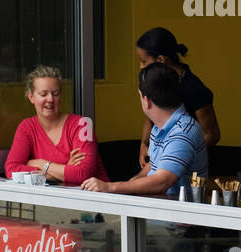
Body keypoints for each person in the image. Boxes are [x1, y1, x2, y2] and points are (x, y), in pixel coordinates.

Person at [82, 63, 206, 199]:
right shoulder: (160, 126)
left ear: (146, 100)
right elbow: (155, 165)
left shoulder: (183, 132)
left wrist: (110, 187)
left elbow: (161, 181)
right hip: (161, 211)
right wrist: (132, 182)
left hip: (179, 217)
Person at [4, 65, 109, 186]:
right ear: (31, 97)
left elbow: (82, 173)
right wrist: (63, 170)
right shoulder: (26, 127)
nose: (50, 99)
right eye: (43, 94)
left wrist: (40, 163)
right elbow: (11, 170)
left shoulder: (82, 125)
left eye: (55, 93)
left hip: (94, 199)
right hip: (53, 198)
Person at [135, 28, 219, 169]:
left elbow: (212, 134)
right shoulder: (156, 81)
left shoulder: (194, 90)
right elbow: (151, 116)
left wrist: (177, 152)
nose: (140, 66)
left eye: (143, 61)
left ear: (161, 60)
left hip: (186, 167)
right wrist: (144, 144)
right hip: (158, 158)